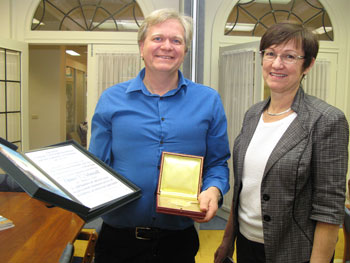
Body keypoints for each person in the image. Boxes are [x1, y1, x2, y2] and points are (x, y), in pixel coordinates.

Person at [89, 8, 230, 263]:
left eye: (176, 40)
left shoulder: (208, 100)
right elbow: (97, 165)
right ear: (142, 46)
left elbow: (218, 163)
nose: (167, 46)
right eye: (157, 38)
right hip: (117, 242)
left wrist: (214, 190)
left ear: (185, 51)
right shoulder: (111, 99)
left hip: (177, 242)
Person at [214, 22, 349, 263]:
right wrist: (227, 242)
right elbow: (244, 190)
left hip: (295, 253)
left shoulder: (327, 120)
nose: (277, 64)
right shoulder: (253, 114)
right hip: (247, 246)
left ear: (308, 65)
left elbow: (329, 209)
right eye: (270, 54)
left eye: (289, 56)